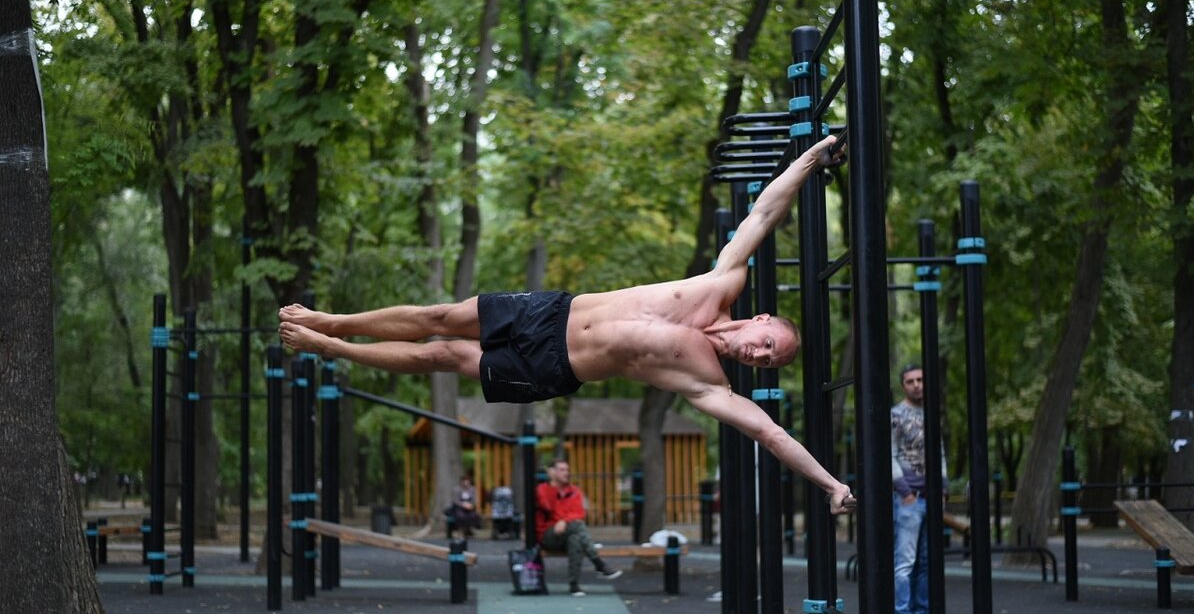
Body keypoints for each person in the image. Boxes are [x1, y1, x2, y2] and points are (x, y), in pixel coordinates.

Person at [278, 135, 854, 514]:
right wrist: (809, 159)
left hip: (552, 367)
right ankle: (332, 320)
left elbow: (771, 435)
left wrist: (831, 485)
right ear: (759, 320)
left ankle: (330, 349)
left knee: (445, 354)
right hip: (552, 311)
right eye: (768, 343)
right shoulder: (721, 282)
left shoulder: (708, 383)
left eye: (770, 361)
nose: (761, 355)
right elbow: (763, 213)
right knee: (441, 316)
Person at [891, 363, 949, 614]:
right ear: (903, 385)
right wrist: (905, 491)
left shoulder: (932, 414)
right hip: (909, 498)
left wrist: (944, 487)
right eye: (911, 381)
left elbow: (939, 452)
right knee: (906, 559)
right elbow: (888, 453)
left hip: (931, 495)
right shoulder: (896, 415)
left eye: (921, 380)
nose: (916, 385)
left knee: (926, 560)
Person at [535, 458, 621, 596]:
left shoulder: (574, 491)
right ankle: (598, 563)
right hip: (547, 534)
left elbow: (579, 513)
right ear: (552, 472)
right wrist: (553, 487)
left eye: (567, 470)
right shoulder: (543, 489)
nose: (566, 473)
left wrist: (563, 521)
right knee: (576, 525)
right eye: (562, 470)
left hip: (567, 531)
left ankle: (574, 585)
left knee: (575, 539)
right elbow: (548, 507)